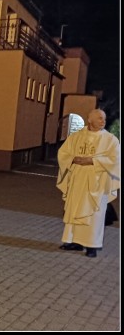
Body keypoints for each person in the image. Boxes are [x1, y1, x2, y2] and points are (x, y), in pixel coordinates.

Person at [56, 108, 120, 258]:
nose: (103, 121)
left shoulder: (110, 140)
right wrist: (73, 159)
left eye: (104, 118)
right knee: (75, 209)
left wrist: (92, 160)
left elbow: (116, 159)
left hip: (97, 182)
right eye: (99, 118)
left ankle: (92, 245)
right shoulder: (76, 137)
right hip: (78, 179)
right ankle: (74, 242)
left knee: (95, 214)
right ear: (90, 120)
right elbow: (63, 153)